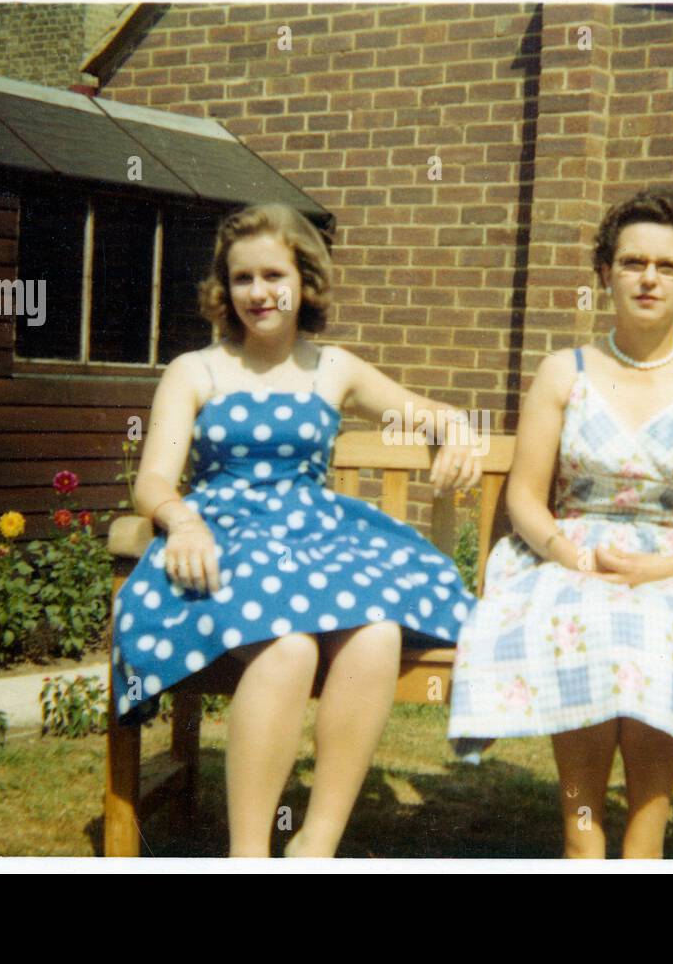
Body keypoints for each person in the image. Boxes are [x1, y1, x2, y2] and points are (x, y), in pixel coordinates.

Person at [447, 187, 673, 859]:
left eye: (668, 267)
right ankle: (582, 837)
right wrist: (570, 555)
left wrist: (668, 567)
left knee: (656, 627)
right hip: (568, 551)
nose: (648, 278)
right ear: (604, 273)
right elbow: (525, 498)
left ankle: (644, 844)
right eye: (632, 261)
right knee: (589, 622)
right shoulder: (565, 372)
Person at [112, 202, 481, 857]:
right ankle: (248, 855)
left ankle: (314, 844)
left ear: (304, 279)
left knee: (376, 633)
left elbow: (426, 412)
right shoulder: (195, 370)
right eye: (243, 278)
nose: (259, 292)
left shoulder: (332, 367)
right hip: (224, 537)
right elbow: (153, 481)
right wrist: (183, 519)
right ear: (224, 289)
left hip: (315, 537)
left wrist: (453, 430)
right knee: (287, 648)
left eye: (273, 274)